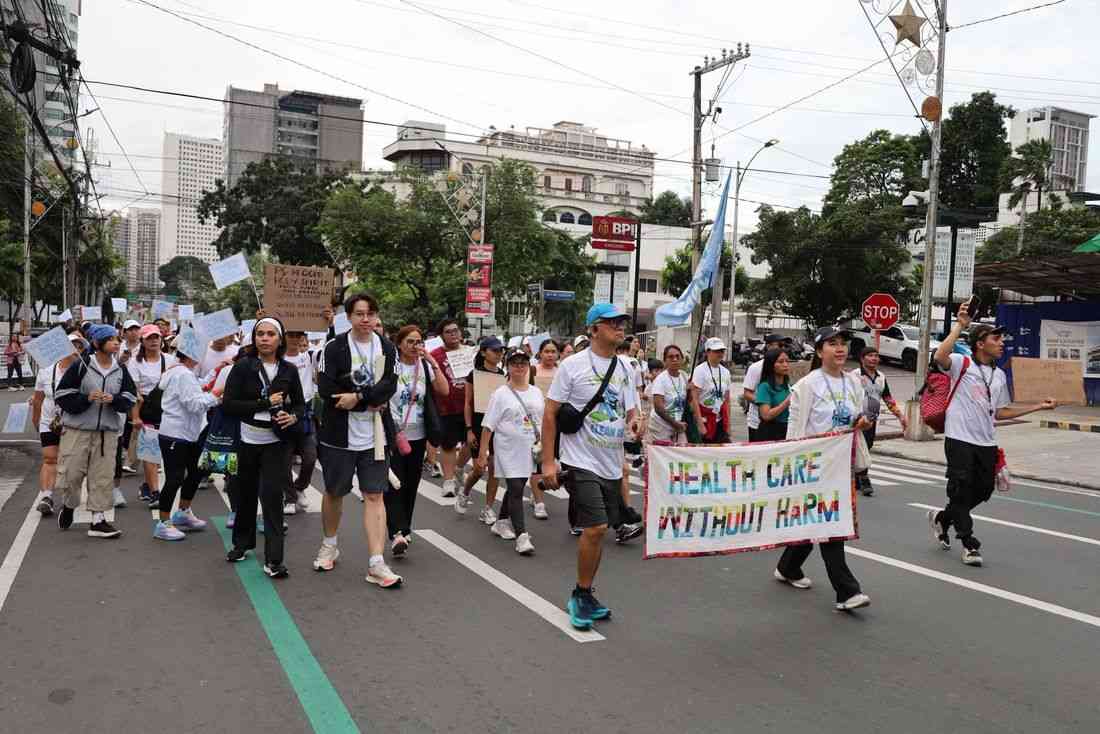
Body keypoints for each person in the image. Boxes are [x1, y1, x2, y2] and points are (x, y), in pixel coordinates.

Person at [926, 305, 1056, 567]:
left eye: (1001, 339)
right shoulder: (962, 364)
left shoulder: (998, 375)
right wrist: (961, 324)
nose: (1001, 343)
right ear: (980, 343)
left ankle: (943, 518)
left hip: (986, 442)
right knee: (961, 490)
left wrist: (1037, 407)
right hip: (959, 438)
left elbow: (1000, 412)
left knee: (983, 490)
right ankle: (969, 543)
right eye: (996, 339)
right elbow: (940, 356)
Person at [542, 303, 641, 630]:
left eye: (621, 322)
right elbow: (550, 413)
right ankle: (578, 595)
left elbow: (631, 411)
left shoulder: (626, 367)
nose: (620, 327)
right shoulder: (572, 366)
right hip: (579, 461)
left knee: (598, 534)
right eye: (612, 322)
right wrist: (547, 462)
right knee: (596, 528)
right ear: (594, 329)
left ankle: (586, 593)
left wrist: (636, 421)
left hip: (611, 463)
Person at [773, 326, 871, 612]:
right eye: (833, 344)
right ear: (819, 352)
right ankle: (847, 591)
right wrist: (791, 464)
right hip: (813, 468)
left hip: (842, 465)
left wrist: (860, 422)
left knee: (816, 522)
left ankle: (788, 566)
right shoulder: (808, 385)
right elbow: (795, 429)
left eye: (843, 344)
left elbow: (855, 417)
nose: (840, 349)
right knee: (832, 525)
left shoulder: (853, 382)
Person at [314, 293, 403, 588]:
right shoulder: (334, 348)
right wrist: (366, 399)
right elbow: (328, 390)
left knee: (375, 495)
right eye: (359, 314)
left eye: (370, 313)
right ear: (349, 317)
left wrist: (360, 398)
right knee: (335, 492)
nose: (365, 319)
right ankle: (329, 544)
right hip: (339, 436)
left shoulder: (387, 348)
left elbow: (389, 385)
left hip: (375, 435)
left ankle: (376, 562)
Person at [221, 318, 304, 578]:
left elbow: (301, 405)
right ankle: (242, 544)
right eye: (260, 334)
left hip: (276, 445)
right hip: (245, 441)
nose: (264, 338)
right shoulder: (243, 367)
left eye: (270, 334)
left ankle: (274, 560)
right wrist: (263, 403)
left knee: (271, 500)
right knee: (243, 496)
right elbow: (229, 404)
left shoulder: (289, 370)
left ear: (280, 339)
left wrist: (293, 417)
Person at [54, 325, 138, 539]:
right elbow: (62, 395)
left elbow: (130, 397)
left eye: (117, 339)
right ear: (97, 343)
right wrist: (86, 398)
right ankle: (69, 505)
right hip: (77, 431)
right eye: (111, 339)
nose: (117, 343)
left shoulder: (120, 368)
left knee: (102, 477)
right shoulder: (81, 366)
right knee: (71, 475)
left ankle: (98, 520)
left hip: (107, 434)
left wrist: (114, 400)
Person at [385, 324, 448, 556]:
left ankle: (405, 527)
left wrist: (433, 363)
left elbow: (444, 391)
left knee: (411, 484)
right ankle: (396, 533)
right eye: (410, 341)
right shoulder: (391, 365)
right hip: (392, 433)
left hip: (418, 434)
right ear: (399, 343)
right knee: (394, 484)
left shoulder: (424, 366)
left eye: (418, 342)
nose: (414, 346)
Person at [152, 337, 220, 541]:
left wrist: (217, 373)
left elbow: (200, 385)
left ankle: (183, 512)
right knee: (174, 477)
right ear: (193, 355)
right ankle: (163, 523)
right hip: (176, 434)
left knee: (198, 470)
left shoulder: (181, 372)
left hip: (187, 434)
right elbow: (195, 404)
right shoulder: (182, 375)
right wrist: (217, 395)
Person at [479, 347, 543, 555]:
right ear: (507, 366)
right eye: (515, 363)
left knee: (517, 486)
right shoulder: (500, 394)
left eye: (523, 363)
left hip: (530, 449)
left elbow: (543, 421)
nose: (519, 367)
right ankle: (522, 536)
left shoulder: (536, 392)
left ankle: (501, 521)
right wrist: (482, 454)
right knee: (515, 486)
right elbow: (488, 425)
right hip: (507, 448)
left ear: (529, 366)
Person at [31, 333, 92, 515]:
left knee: (74, 463)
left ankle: (71, 496)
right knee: (50, 458)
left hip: (75, 423)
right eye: (71, 345)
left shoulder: (86, 372)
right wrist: (36, 421)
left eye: (79, 347)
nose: (74, 349)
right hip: (50, 422)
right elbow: (38, 399)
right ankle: (47, 496)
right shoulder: (46, 370)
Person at [455, 336, 506, 523]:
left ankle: (488, 508)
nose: (499, 354)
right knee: (478, 469)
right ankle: (465, 491)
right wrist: (469, 429)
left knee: (494, 469)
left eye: (501, 351)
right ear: (484, 352)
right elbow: (468, 404)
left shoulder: (503, 375)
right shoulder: (474, 374)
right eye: (495, 350)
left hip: (498, 428)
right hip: (477, 426)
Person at [129, 324, 177, 506]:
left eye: (156, 337)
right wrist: (135, 417)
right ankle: (156, 493)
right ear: (142, 341)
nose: (154, 341)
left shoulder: (170, 360)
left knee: (162, 453)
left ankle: (148, 485)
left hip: (168, 408)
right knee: (150, 452)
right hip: (146, 408)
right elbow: (134, 392)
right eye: (149, 338)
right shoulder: (136, 362)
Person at [850, 346, 908, 496]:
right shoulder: (854, 376)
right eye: (870, 355)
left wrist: (900, 416)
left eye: (876, 356)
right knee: (858, 449)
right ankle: (864, 479)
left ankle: (857, 477)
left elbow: (887, 397)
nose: (874, 358)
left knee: (866, 447)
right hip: (856, 420)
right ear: (862, 359)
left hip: (871, 419)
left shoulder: (881, 377)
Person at [429, 318, 471, 499]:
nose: (454, 334)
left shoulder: (471, 353)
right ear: (441, 336)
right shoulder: (435, 355)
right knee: (448, 445)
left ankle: (459, 467)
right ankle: (448, 481)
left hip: (470, 406)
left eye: (456, 330)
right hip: (447, 407)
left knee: (471, 443)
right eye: (448, 331)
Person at [281, 330, 318, 516]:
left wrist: (332, 324)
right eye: (291, 335)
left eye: (299, 336)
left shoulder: (310, 357)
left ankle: (299, 487)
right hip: (284, 414)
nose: (295, 339)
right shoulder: (277, 359)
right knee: (285, 460)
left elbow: (332, 346)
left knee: (310, 457)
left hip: (304, 415)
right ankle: (289, 498)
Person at [528, 338, 561, 520]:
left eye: (553, 351)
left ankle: (537, 493)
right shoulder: (532, 371)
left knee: (554, 463)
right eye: (546, 351)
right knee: (537, 462)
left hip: (557, 423)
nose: (550, 355)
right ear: (540, 353)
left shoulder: (562, 372)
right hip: (534, 423)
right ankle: (539, 503)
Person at [743, 334, 792, 442]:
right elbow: (747, 393)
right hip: (759, 424)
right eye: (779, 345)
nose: (782, 348)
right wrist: (765, 402)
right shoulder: (756, 369)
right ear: (768, 346)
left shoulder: (787, 381)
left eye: (785, 346)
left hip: (784, 430)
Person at [690, 337, 732, 443]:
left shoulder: (726, 372)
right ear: (707, 351)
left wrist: (728, 424)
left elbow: (727, 399)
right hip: (705, 420)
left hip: (720, 420)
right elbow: (694, 399)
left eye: (722, 351)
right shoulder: (700, 370)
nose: (720, 353)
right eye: (716, 351)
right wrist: (699, 423)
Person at [648, 345, 688, 446]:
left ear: (682, 359)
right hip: (661, 426)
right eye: (670, 357)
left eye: (677, 356)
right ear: (665, 361)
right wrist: (675, 424)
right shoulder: (660, 380)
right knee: (664, 456)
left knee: (682, 452)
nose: (675, 359)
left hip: (678, 424)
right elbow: (658, 408)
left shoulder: (684, 376)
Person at [753, 348, 792, 442]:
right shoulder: (764, 386)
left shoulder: (788, 385)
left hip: (787, 430)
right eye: (781, 362)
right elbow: (765, 415)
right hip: (770, 433)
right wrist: (786, 402)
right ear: (771, 365)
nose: (785, 365)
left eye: (787, 361)